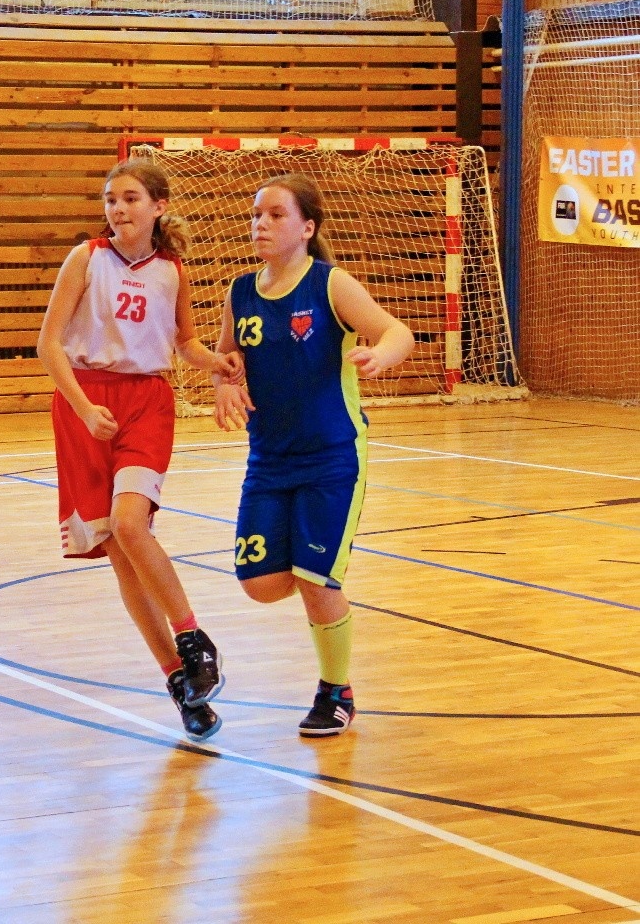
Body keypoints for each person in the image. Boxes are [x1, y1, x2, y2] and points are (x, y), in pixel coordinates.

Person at [37, 158, 242, 743]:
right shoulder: (86, 258)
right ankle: (180, 682)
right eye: (110, 200)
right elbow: (48, 344)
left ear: (158, 206)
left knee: (131, 524)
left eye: (130, 198)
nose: (118, 209)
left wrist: (219, 363)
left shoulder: (172, 270)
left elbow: (185, 343)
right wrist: (83, 408)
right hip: (85, 402)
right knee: (120, 552)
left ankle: (193, 637)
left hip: (146, 401)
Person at [212, 174, 414, 738]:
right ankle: (313, 575)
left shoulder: (330, 284)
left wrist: (383, 355)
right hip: (269, 459)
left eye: (276, 214)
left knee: (317, 578)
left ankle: (336, 690)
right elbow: (226, 361)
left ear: (307, 227)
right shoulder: (240, 293)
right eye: (256, 214)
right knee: (259, 582)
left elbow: (397, 331)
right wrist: (224, 386)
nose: (261, 224)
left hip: (332, 456)